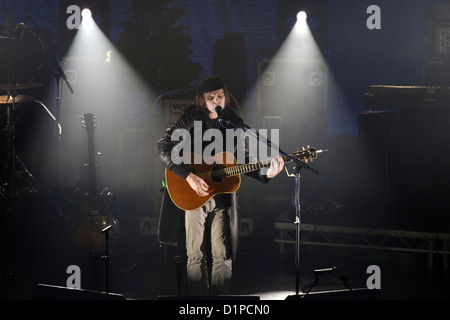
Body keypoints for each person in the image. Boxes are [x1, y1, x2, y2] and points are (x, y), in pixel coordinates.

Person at [157, 75, 284, 296]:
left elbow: (244, 160)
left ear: (226, 97)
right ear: (202, 100)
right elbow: (164, 147)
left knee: (223, 254)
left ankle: (220, 301)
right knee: (195, 253)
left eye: (220, 96)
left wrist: (267, 174)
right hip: (193, 192)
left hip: (222, 195)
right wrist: (189, 177)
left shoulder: (233, 123)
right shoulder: (190, 118)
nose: (217, 100)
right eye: (211, 97)